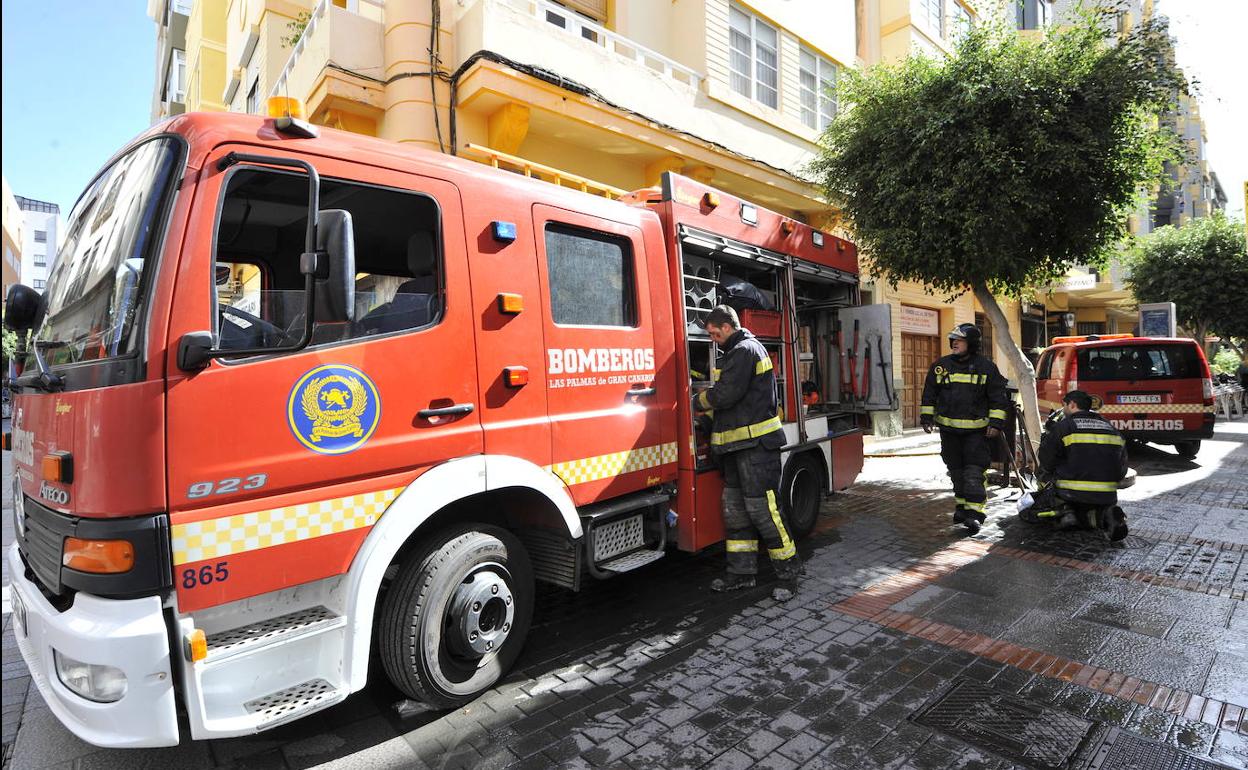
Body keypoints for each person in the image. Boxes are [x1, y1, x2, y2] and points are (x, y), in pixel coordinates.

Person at [692, 305, 801, 601]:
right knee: (736, 513)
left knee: (764, 513)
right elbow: (732, 408)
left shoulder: (744, 351)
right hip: (737, 451)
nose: (713, 339)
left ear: (728, 327)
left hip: (757, 450)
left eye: (714, 333)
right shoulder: (735, 352)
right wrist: (706, 422)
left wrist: (695, 402)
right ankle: (741, 574)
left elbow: (725, 395)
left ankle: (789, 574)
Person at [920, 323, 1010, 535]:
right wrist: (926, 417)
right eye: (953, 340)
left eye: (959, 340)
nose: (954, 343)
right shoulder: (941, 366)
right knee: (956, 471)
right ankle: (962, 507)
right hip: (949, 431)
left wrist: (996, 423)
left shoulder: (986, 368)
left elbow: (998, 399)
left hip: (976, 432)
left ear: (972, 343)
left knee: (973, 472)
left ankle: (975, 513)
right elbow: (930, 393)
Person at [1020, 390, 1129, 541]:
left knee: (1035, 507)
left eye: (1064, 405)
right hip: (1106, 495)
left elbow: (1046, 460)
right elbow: (1122, 468)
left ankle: (1067, 512)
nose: (1064, 409)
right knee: (1092, 513)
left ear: (1072, 404)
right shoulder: (1111, 428)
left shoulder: (1064, 427)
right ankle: (1103, 515)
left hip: (1070, 493)